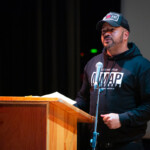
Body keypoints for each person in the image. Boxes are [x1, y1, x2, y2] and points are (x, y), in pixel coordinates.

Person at [74, 12, 150, 150]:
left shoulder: (141, 66)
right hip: (95, 144)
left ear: (125, 35)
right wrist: (68, 107)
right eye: (103, 31)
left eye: (112, 30)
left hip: (127, 145)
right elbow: (83, 99)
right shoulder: (93, 63)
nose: (106, 33)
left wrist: (122, 119)